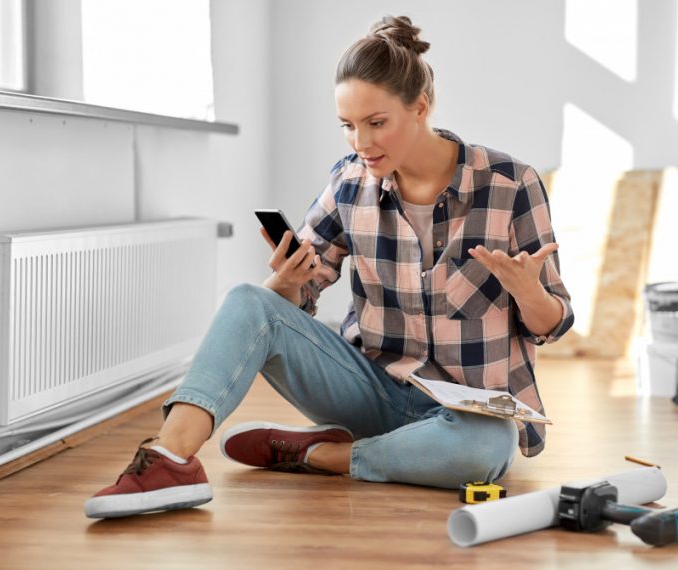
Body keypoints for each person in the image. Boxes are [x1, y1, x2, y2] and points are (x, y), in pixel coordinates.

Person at [84, 15, 573, 519]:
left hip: (469, 412)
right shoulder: (349, 183)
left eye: (376, 122)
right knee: (249, 300)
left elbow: (554, 323)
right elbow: (293, 303)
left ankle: (320, 455)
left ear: (420, 107)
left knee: (486, 450)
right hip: (372, 390)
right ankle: (169, 459)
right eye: (348, 125)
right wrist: (287, 282)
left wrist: (529, 292)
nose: (360, 142)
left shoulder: (511, 184)